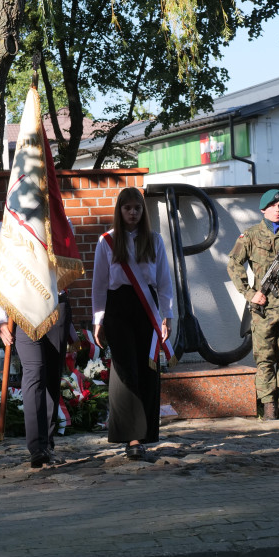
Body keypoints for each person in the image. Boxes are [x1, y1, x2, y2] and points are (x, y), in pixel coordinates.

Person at [92, 188, 174, 461]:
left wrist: (167, 315)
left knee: (147, 370)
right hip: (118, 309)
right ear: (120, 211)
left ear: (143, 211)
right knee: (126, 372)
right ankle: (131, 437)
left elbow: (163, 282)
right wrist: (98, 320)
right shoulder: (106, 241)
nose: (132, 213)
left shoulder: (154, 240)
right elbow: (100, 285)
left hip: (146, 310)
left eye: (137, 208)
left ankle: (146, 433)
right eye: (127, 208)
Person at [227, 188, 279, 420]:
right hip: (263, 308)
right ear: (263, 209)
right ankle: (268, 406)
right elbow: (234, 264)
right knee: (264, 358)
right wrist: (249, 293)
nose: (278, 209)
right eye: (274, 206)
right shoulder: (251, 235)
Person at [0, 223, 72, 468]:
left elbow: (66, 267)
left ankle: (47, 444)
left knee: (51, 375)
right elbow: (1, 270)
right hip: (24, 306)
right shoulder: (9, 223)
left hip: (55, 305)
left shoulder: (62, 221)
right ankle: (36, 447)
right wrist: (0, 318)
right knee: (34, 371)